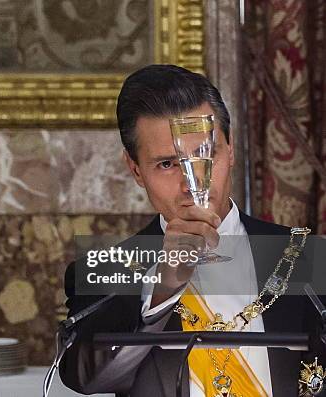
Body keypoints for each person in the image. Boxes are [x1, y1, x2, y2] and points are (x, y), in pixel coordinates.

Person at [59, 64, 322, 397]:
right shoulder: (109, 268)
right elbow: (87, 379)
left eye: (205, 154)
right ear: (136, 170)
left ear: (230, 151)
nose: (192, 183)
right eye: (167, 164)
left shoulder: (302, 254)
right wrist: (163, 286)